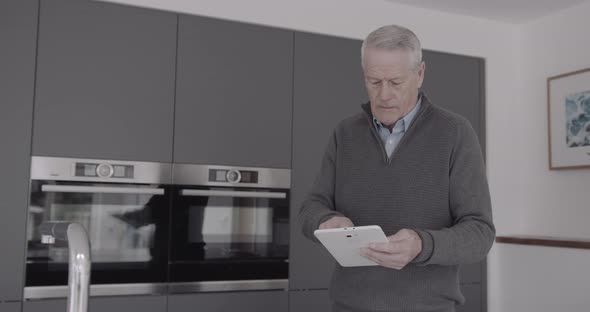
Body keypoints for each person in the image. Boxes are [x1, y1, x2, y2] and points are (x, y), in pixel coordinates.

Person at [299, 24, 495, 312]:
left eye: (395, 82)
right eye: (374, 82)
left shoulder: (455, 133)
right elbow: (310, 208)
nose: (384, 95)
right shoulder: (344, 134)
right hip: (348, 305)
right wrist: (325, 221)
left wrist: (421, 244)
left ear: (420, 74)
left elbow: (480, 234)